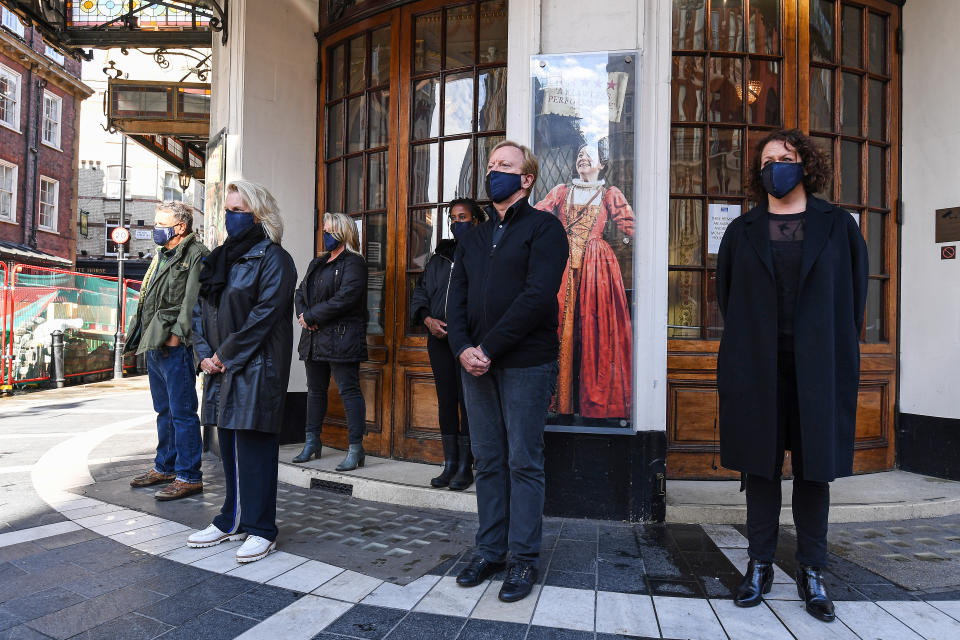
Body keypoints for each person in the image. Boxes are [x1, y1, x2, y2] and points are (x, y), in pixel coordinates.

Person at [716, 129, 868, 622]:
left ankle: (812, 571)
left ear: (806, 164)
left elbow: (853, 298)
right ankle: (758, 565)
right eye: (767, 160)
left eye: (786, 157)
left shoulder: (838, 225)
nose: (776, 166)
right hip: (756, 363)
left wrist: (834, 348)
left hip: (819, 364)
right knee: (759, 468)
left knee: (814, 468)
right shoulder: (742, 230)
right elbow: (728, 296)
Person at [447, 141, 568, 603]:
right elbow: (455, 299)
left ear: (527, 178)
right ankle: (489, 549)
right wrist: (461, 347)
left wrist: (488, 348)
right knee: (489, 460)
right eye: (492, 165)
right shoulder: (473, 236)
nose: (495, 172)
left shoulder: (545, 228)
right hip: (474, 365)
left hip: (525, 363)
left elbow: (538, 297)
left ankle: (522, 558)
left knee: (524, 461)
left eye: (506, 166)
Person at [186, 180, 297, 563]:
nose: (230, 216)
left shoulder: (274, 259)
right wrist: (204, 354)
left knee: (254, 448)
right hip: (221, 367)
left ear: (259, 215)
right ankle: (231, 519)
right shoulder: (219, 258)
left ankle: (262, 528)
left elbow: (264, 316)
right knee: (230, 447)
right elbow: (199, 309)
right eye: (228, 209)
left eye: (238, 210)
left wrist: (225, 354)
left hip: (256, 367)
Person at [535, 140, 634, 419]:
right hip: (564, 267)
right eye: (579, 154)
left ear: (601, 164)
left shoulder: (609, 194)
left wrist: (623, 244)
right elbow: (537, 218)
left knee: (595, 331)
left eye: (589, 155)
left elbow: (632, 226)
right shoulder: (561, 191)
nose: (583, 158)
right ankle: (560, 403)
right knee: (561, 330)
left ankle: (594, 403)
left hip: (596, 268)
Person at [126, 201, 209, 501]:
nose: (155, 229)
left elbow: (192, 301)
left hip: (174, 346)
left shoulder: (196, 254)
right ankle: (165, 466)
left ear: (181, 227)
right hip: (154, 342)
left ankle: (189, 476)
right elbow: (147, 295)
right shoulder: (161, 254)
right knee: (164, 410)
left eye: (161, 224)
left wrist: (177, 337)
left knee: (183, 412)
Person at [410, 198, 486, 490]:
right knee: (446, 401)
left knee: (468, 403)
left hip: (467, 341)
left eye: (463, 217)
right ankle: (450, 464)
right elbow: (421, 294)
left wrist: (461, 329)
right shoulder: (438, 258)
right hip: (438, 341)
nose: (456, 223)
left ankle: (467, 466)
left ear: (476, 222)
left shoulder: (483, 255)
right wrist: (427, 320)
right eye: (453, 218)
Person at [291, 212, 369, 471]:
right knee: (315, 391)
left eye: (330, 231)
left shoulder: (354, 263)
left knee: (349, 391)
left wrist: (313, 315)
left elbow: (346, 298)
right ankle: (312, 441)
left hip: (343, 338)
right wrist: (304, 315)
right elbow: (300, 291)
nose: (325, 235)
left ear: (343, 233)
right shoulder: (318, 262)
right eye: (324, 230)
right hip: (314, 337)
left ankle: (356, 448)